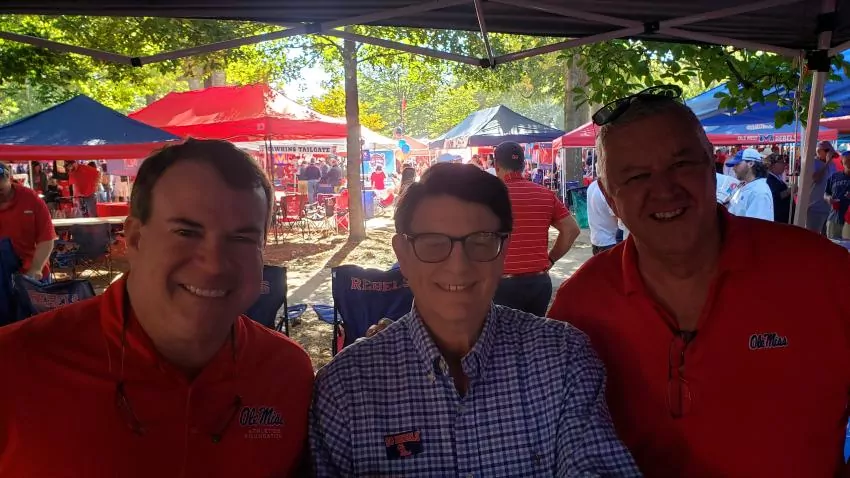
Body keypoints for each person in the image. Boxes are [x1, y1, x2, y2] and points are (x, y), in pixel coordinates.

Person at [547, 86, 850, 477]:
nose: (664, 190)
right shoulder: (579, 308)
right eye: (637, 175)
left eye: (681, 165)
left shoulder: (823, 272)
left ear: (712, 165)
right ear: (608, 195)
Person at [0, 140, 314, 477]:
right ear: (134, 238)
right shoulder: (13, 366)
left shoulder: (287, 374)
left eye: (241, 239)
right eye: (186, 232)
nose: (214, 265)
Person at [309, 163, 640, 477]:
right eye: (433, 243)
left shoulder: (562, 358)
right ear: (403, 255)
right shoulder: (346, 389)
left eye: (481, 242)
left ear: (504, 250)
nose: (458, 265)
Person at [492, 142, 580, 316]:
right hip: (538, 283)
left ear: (496, 166)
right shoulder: (545, 194)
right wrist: (551, 259)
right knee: (534, 337)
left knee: (503, 339)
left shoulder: (490, 197)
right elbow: (571, 229)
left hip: (502, 284)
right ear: (523, 165)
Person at [0, 162, 56, 280]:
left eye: (1, 190)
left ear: (10, 179)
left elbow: (46, 238)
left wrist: (36, 268)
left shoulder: (30, 199)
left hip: (31, 272)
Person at [725, 148, 774, 221]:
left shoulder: (759, 192)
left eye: (737, 164)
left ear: (751, 163)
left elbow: (755, 228)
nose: (733, 168)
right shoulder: (746, 186)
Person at [806, 141, 838, 234]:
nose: (830, 156)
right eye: (828, 152)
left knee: (825, 238)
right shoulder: (813, 163)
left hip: (828, 208)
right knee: (813, 237)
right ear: (819, 151)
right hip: (815, 207)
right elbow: (816, 178)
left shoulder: (832, 165)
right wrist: (827, 163)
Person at [587, 179, 620, 255]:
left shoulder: (592, 186)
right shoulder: (607, 190)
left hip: (597, 240)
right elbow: (619, 219)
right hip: (610, 241)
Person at [825, 150, 850, 238]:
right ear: (842, 162)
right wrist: (828, 199)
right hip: (834, 218)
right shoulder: (834, 177)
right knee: (832, 248)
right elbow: (826, 193)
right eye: (847, 161)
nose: (849, 163)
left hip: (849, 221)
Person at [766, 153, 795, 224]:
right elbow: (776, 196)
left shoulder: (776, 177)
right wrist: (789, 191)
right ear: (774, 165)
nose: (784, 165)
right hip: (779, 219)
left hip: (783, 218)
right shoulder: (769, 179)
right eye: (782, 162)